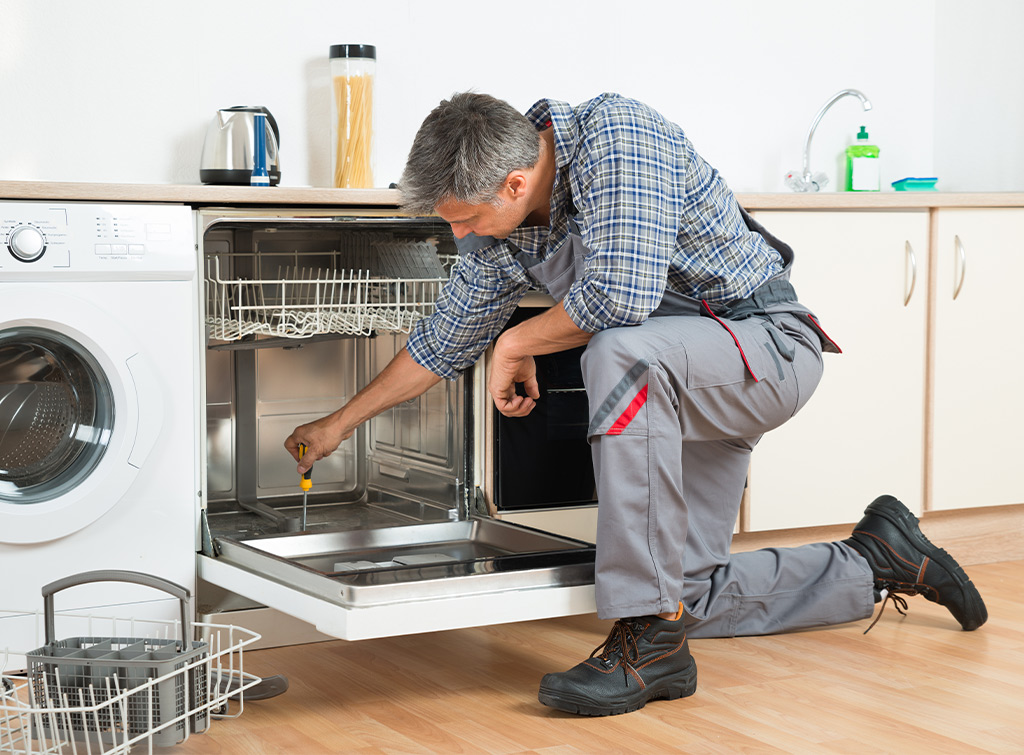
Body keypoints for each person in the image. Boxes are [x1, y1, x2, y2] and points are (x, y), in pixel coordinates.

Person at [285, 92, 987, 717]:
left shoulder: (618, 136)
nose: (461, 236)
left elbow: (621, 296)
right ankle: (878, 558)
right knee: (692, 595)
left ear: (514, 182)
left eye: (466, 220)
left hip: (765, 348)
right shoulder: (507, 231)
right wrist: (335, 425)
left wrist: (517, 341)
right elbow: (443, 341)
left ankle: (647, 637)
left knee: (619, 352)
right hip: (679, 380)